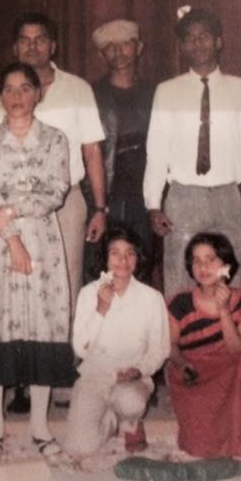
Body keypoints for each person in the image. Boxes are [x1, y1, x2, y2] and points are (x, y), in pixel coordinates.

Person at [0, 13, 107, 407]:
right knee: (9, 292)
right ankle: (17, 382)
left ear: (53, 46)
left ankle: (57, 378)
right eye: (25, 39)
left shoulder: (78, 88)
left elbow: (91, 150)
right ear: (16, 46)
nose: (33, 46)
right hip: (1, 213)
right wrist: (2, 212)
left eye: (41, 39)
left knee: (60, 289)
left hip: (62, 202)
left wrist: (100, 206)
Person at [0, 62, 71, 458]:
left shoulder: (56, 140)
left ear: (38, 93)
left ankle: (40, 427)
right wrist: (13, 240)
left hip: (44, 244)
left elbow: (55, 191)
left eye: (26, 88)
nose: (18, 97)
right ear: (0, 96)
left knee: (42, 324)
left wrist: (12, 211)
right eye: (10, 89)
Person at [144, 8, 241, 297]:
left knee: (229, 274)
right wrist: (153, 204)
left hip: (227, 196)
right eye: (190, 38)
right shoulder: (167, 91)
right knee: (180, 275)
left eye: (205, 36)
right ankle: (181, 341)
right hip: (184, 196)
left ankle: (226, 340)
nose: (198, 43)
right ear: (183, 46)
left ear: (219, 41)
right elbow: (156, 152)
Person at [64, 225, 170, 457]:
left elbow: (160, 348)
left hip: (131, 380)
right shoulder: (89, 293)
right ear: (105, 257)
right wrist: (101, 308)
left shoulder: (151, 298)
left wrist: (139, 369)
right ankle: (111, 421)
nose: (122, 260)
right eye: (115, 253)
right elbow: (80, 348)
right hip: (95, 377)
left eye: (129, 253)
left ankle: (130, 421)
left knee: (130, 401)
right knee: (78, 448)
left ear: (137, 258)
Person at [166, 232, 241, 461]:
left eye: (211, 259)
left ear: (226, 265)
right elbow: (170, 347)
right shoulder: (179, 303)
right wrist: (183, 365)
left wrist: (224, 310)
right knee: (199, 448)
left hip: (230, 369)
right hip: (193, 371)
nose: (203, 266)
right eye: (196, 260)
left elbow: (238, 351)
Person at [82, 19, 155, 283]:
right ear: (102, 54)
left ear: (139, 48)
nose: (118, 51)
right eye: (110, 47)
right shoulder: (89, 94)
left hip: (143, 198)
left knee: (140, 270)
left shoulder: (156, 93)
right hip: (103, 198)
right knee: (99, 271)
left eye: (125, 44)